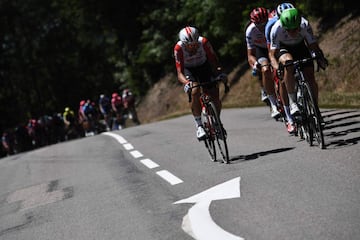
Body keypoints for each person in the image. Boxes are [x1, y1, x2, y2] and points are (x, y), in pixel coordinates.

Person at [269, 8, 328, 123]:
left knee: (310, 76)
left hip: (300, 47)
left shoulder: (304, 24)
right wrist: (276, 67)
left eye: (295, 29)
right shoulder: (276, 29)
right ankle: (293, 102)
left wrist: (319, 57)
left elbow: (312, 45)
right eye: (289, 30)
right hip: (284, 49)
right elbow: (272, 54)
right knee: (288, 63)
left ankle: (315, 108)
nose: (292, 32)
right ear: (283, 26)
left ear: (299, 24)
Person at [173, 26, 227, 140]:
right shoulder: (178, 48)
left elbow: (214, 61)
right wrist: (187, 83)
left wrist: (219, 73)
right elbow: (179, 73)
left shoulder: (204, 42)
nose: (193, 47)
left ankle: (217, 122)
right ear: (184, 44)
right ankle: (199, 125)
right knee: (195, 90)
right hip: (189, 70)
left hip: (204, 66)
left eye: (195, 44)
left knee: (214, 94)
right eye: (190, 45)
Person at [265, 3, 298, 134]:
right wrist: (276, 67)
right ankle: (289, 118)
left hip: (295, 45)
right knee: (281, 80)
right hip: (278, 48)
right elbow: (271, 52)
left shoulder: (297, 20)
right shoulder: (271, 27)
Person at [245, 7, 280, 119]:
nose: (262, 27)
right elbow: (250, 55)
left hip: (274, 47)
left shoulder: (274, 23)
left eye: (264, 23)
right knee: (265, 70)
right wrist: (255, 64)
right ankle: (273, 104)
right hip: (262, 50)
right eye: (258, 25)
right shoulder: (250, 31)